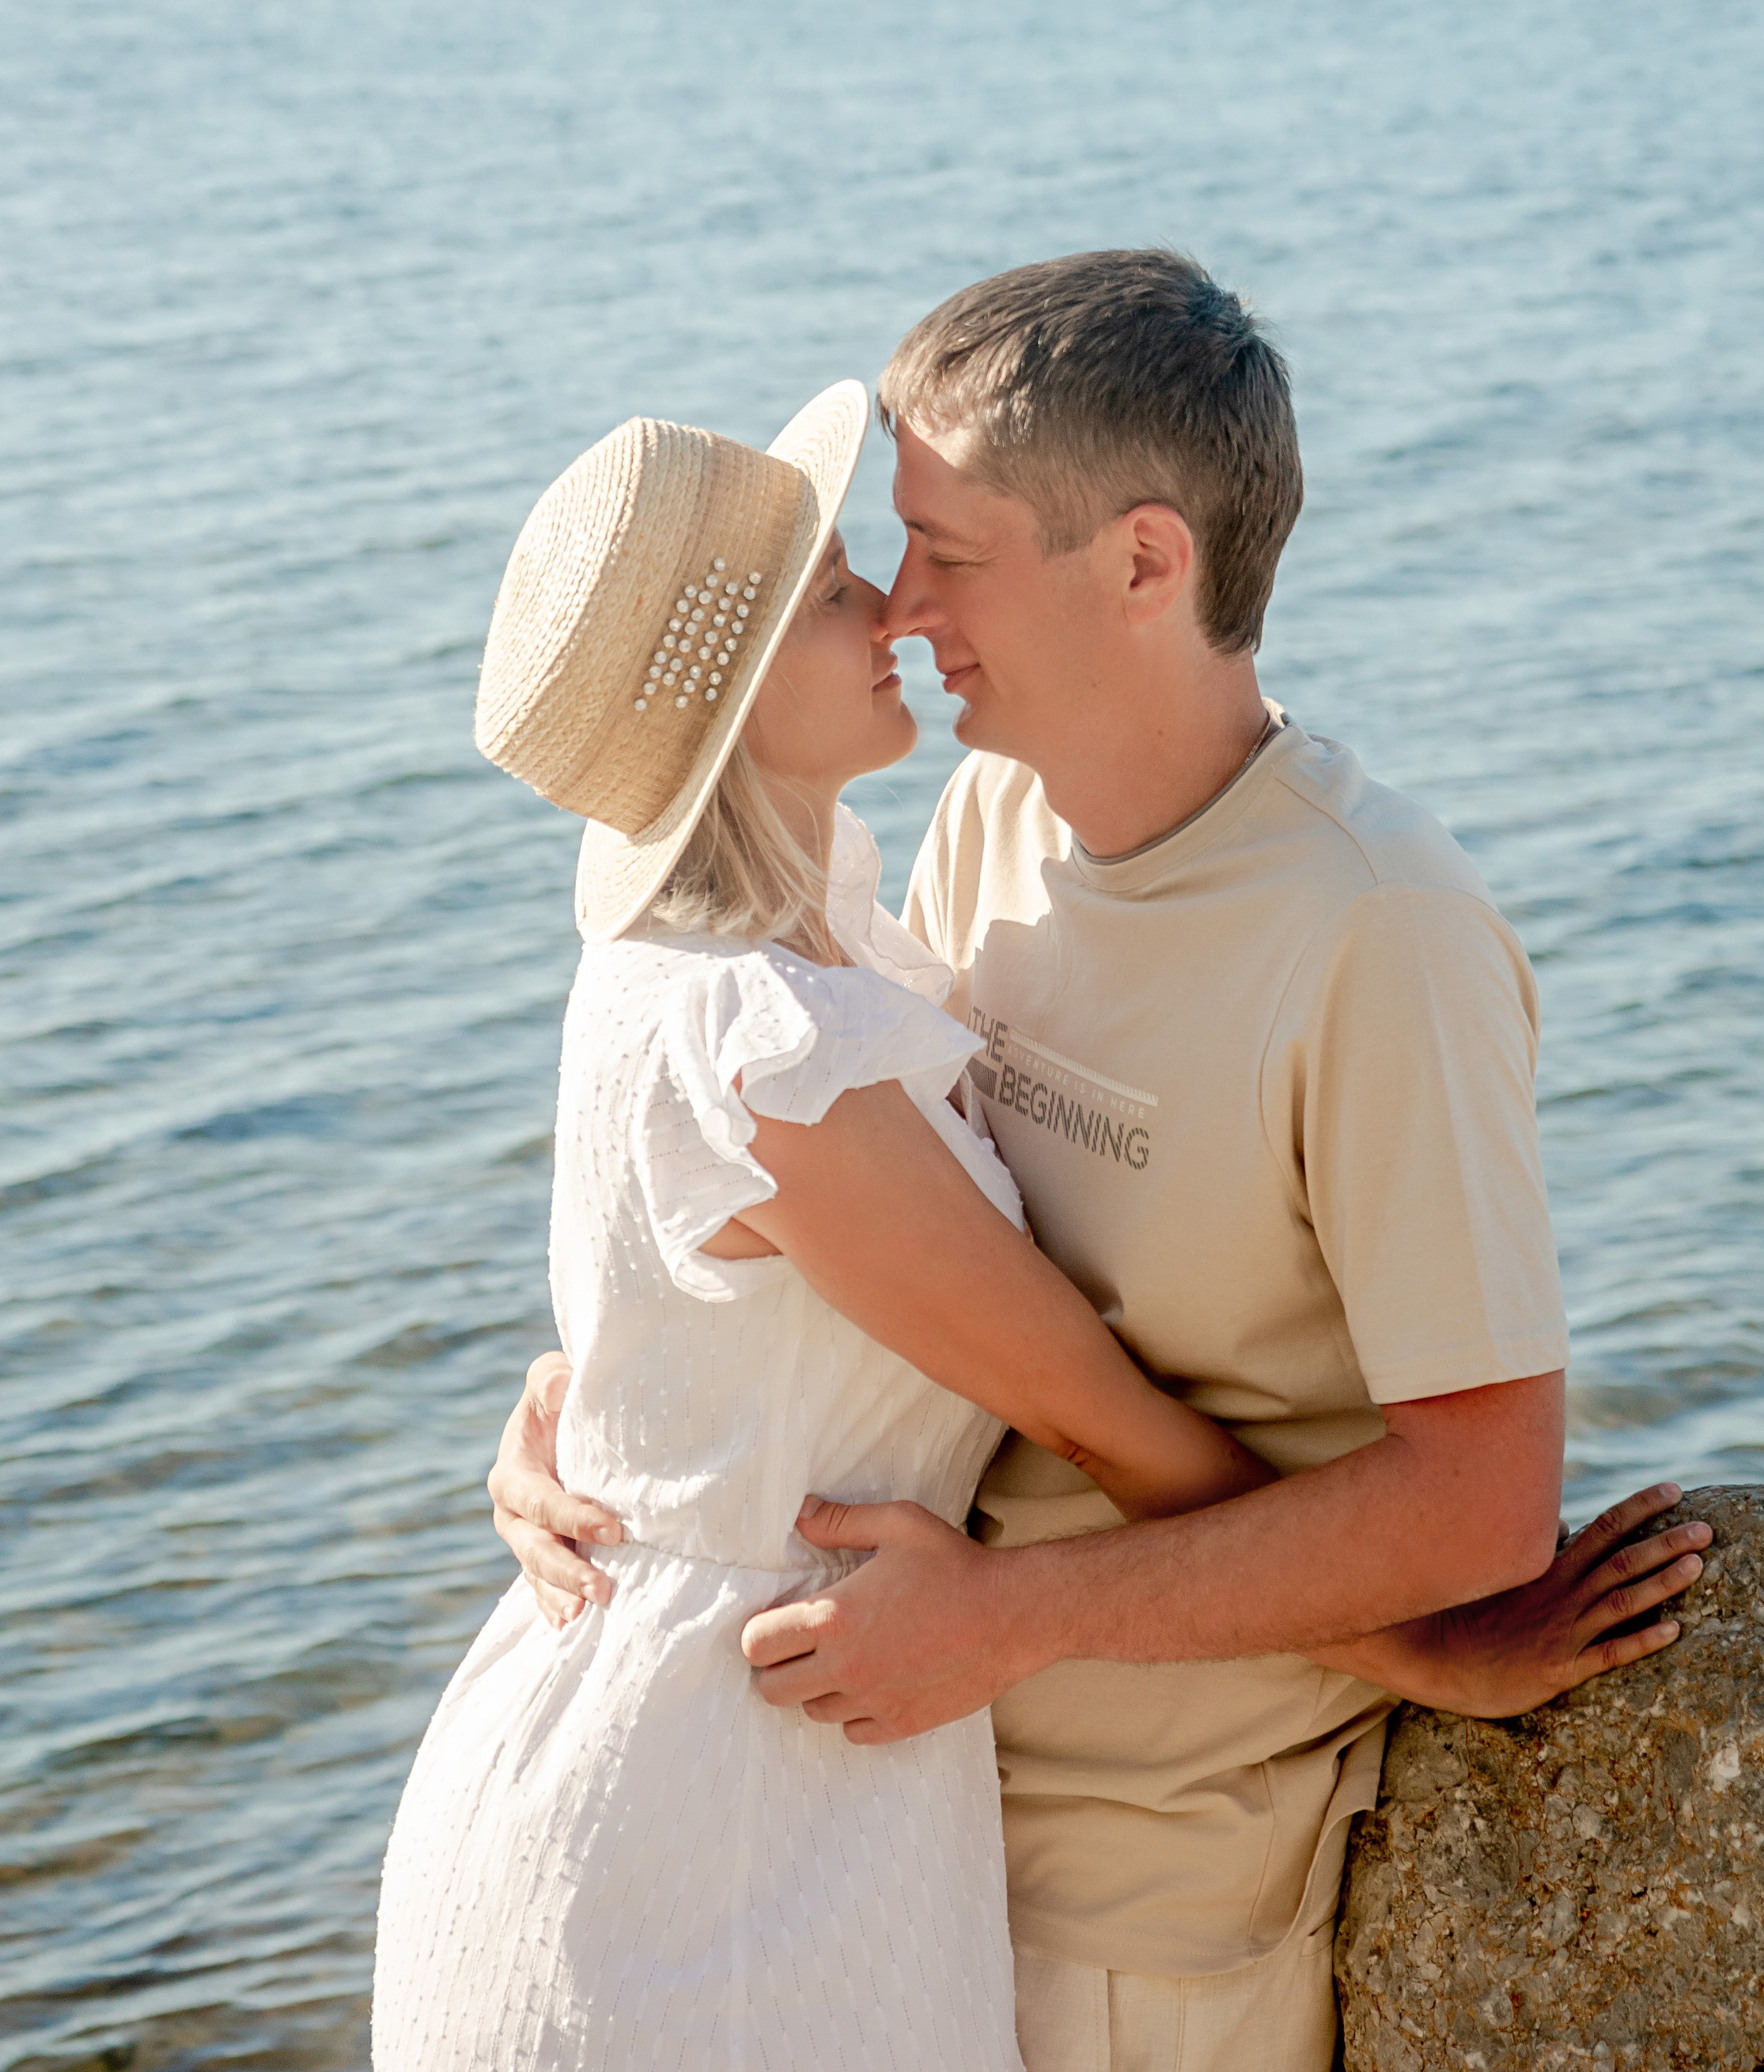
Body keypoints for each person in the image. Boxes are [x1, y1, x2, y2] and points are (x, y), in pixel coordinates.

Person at [490, 253, 1710, 2072]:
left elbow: (1473, 1507)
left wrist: (1013, 1619)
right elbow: (872, 1246)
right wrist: (597, 1414)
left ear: (1144, 563)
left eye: (942, 551)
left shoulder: (1375, 936)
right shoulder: (988, 819)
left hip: (1137, 1896)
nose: (901, 605)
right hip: (858, 1814)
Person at [378, 379, 1334, 2070]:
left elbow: (686, 1324)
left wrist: (571, 1403)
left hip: (759, 1753)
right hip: (693, 1819)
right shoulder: (763, 1040)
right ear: (734, 693)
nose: (893, 606)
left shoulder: (812, 951)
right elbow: (1094, 1418)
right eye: (832, 592)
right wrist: (1441, 1642)